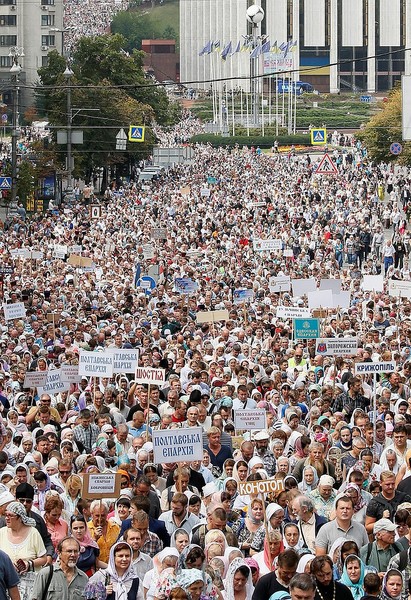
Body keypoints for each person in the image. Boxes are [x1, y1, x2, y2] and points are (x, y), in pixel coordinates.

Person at [0, 501, 47, 599]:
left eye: (10, 515)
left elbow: (44, 559)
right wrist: (8, 565)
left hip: (29, 585)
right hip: (7, 583)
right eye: (6, 515)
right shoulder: (2, 532)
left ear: (20, 518)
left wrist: (29, 564)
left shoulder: (33, 533)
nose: (7, 518)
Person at [32, 536, 88, 600]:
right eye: (69, 551)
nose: (73, 555)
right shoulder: (46, 574)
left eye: (76, 551)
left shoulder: (83, 578)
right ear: (59, 553)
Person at [87, 499, 120, 563]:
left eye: (103, 515)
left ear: (107, 514)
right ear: (91, 514)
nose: (100, 518)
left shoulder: (115, 527)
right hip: (95, 567)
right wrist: (94, 539)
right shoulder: (86, 529)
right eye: (97, 515)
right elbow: (86, 551)